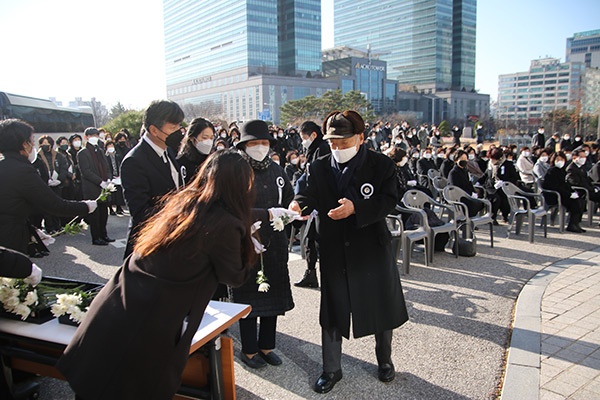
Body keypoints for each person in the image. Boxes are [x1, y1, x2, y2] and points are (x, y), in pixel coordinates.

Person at [57, 151, 256, 400]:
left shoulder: (183, 202)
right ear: (240, 184)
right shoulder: (226, 224)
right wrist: (254, 244)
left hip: (115, 307)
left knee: (95, 385)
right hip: (144, 329)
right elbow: (235, 276)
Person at [291, 110, 409, 393]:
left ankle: (385, 361)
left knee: (379, 306)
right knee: (333, 310)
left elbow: (390, 199)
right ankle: (331, 369)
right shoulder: (318, 166)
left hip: (370, 246)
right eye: (333, 142)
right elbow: (306, 194)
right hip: (333, 247)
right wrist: (298, 205)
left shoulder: (381, 165)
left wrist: (357, 207)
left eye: (344, 142)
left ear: (360, 138)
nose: (338, 148)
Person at [231, 120, 296, 369]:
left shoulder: (277, 170)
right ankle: (248, 350)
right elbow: (232, 208)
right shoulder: (236, 171)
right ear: (244, 145)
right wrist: (267, 213)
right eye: (254, 143)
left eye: (264, 142)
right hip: (247, 242)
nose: (260, 147)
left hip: (275, 242)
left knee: (273, 295)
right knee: (248, 297)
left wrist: (294, 210)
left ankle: (267, 346)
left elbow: (289, 199)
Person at [0, 119, 94, 254]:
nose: (33, 145)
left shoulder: (4, 166)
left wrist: (29, 230)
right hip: (9, 245)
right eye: (32, 141)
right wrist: (86, 206)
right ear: (24, 145)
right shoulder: (23, 170)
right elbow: (54, 205)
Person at [121, 100, 185, 258]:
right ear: (154, 130)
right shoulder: (134, 161)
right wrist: (181, 211)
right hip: (150, 247)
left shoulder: (168, 151)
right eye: (173, 127)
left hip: (172, 240)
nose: (179, 131)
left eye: (179, 126)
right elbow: (141, 212)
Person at [294, 120, 332, 288]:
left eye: (304, 137)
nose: (303, 141)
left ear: (313, 135)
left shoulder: (322, 149)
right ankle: (311, 273)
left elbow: (319, 178)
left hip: (321, 202)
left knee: (320, 240)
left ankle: (326, 276)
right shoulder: (312, 149)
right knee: (309, 239)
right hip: (313, 201)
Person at [78, 127, 113, 246]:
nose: (94, 137)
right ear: (86, 137)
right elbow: (86, 172)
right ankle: (96, 237)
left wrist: (108, 178)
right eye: (91, 135)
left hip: (103, 187)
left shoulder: (100, 150)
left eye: (96, 135)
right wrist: (100, 181)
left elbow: (106, 166)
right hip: (92, 188)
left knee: (104, 213)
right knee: (95, 215)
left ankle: (104, 234)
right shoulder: (83, 153)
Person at [542, 152, 584, 233]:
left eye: (562, 159)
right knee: (574, 203)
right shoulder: (552, 171)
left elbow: (566, 184)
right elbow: (555, 186)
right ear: (554, 160)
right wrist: (569, 194)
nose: (560, 161)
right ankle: (571, 225)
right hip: (553, 195)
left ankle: (575, 223)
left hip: (561, 194)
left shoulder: (562, 171)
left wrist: (572, 192)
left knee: (580, 201)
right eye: (558, 159)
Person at [176, 117, 216, 184]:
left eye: (211, 138)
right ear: (192, 138)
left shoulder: (213, 160)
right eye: (204, 138)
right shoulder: (181, 162)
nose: (208, 141)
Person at [448, 150, 485, 217]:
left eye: (465, 159)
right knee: (473, 204)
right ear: (456, 160)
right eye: (462, 159)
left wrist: (474, 193)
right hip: (460, 198)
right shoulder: (453, 173)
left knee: (481, 202)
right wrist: (468, 194)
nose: (464, 161)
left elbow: (469, 183)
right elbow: (454, 188)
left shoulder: (465, 171)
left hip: (468, 195)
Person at [104, 141, 126, 215]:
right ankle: (110, 209)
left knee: (118, 192)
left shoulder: (117, 156)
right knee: (110, 194)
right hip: (110, 177)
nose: (111, 147)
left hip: (117, 177)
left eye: (112, 145)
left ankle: (118, 207)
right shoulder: (105, 157)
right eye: (109, 145)